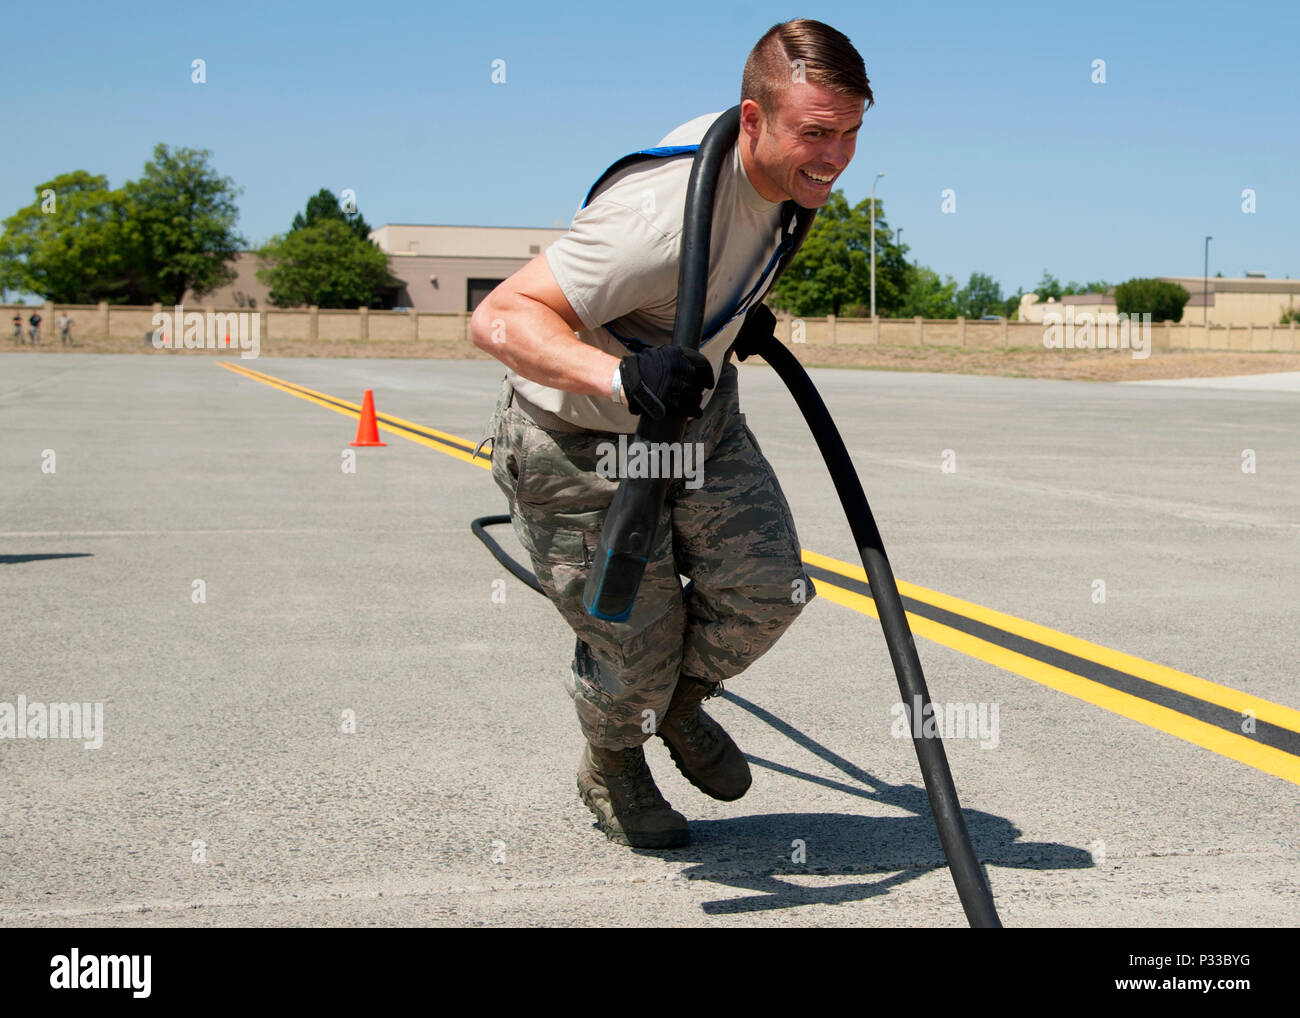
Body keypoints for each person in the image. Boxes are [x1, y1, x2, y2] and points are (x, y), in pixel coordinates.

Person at [472, 19, 872, 849]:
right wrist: (620, 376)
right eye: (817, 133)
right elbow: (499, 316)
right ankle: (614, 763)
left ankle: (681, 707)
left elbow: (731, 259)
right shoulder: (655, 220)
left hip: (695, 414)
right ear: (753, 121)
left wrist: (734, 316)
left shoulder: (789, 181)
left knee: (769, 591)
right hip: (581, 440)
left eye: (851, 133)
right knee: (633, 649)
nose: (835, 157)